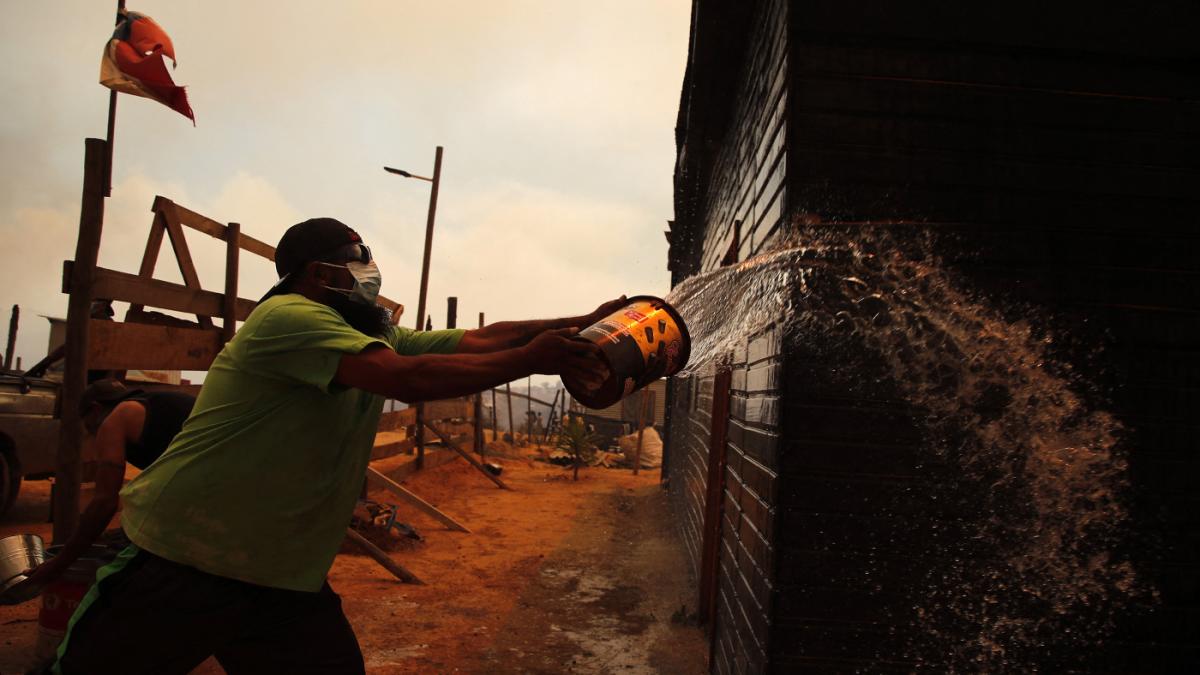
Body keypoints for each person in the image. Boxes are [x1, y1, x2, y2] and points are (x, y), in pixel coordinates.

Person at [53, 217, 618, 674]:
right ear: (320, 274)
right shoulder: (288, 318)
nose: (369, 273)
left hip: (280, 576)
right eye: (357, 262)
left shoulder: (372, 331)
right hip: (185, 559)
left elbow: (482, 338)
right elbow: (407, 379)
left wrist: (581, 324)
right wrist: (531, 360)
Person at [17, 380, 194, 597]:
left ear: (95, 409)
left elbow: (104, 503)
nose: (91, 432)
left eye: (88, 424)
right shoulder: (157, 404)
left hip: (199, 501)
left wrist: (58, 565)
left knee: (120, 567)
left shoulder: (115, 419)